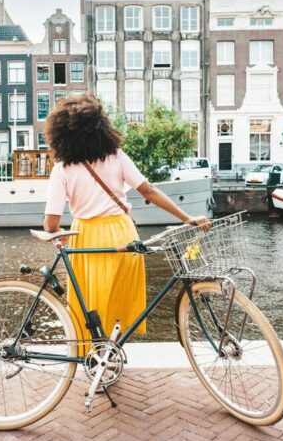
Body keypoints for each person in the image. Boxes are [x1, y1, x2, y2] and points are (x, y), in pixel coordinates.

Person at [43, 94, 209, 340]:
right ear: (102, 128)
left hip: (86, 237)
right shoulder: (116, 156)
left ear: (61, 135)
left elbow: (51, 223)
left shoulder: (62, 170)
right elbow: (148, 191)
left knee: (90, 301)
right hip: (123, 234)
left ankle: (95, 355)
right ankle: (114, 351)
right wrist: (186, 217)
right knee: (120, 299)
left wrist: (54, 231)